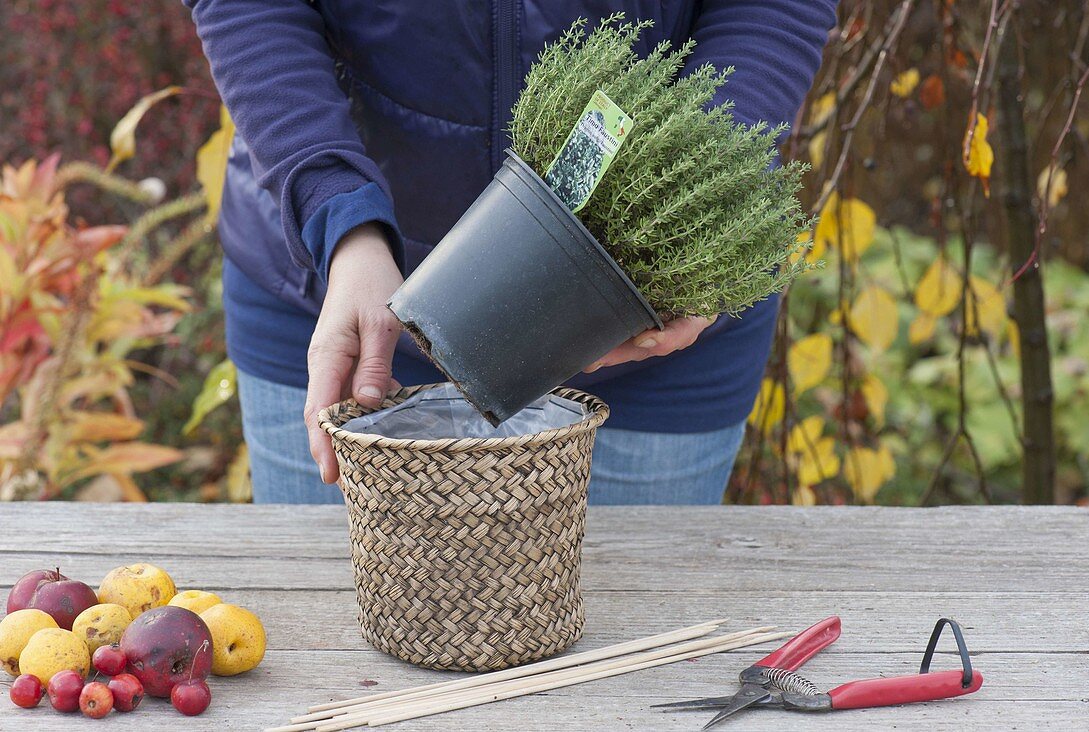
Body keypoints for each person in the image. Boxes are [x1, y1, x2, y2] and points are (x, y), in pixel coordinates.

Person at [183, 1, 836, 505]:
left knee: (636, 666)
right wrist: (342, 221)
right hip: (346, 311)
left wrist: (689, 210)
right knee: (334, 656)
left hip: (642, 344)